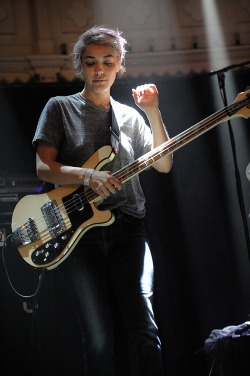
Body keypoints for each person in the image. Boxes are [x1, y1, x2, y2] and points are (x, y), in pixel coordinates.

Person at [32, 25, 173, 376]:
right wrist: (87, 175)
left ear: (119, 64)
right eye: (91, 61)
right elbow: (43, 168)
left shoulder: (130, 117)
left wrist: (153, 112)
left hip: (128, 229)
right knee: (98, 339)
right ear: (80, 65)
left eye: (107, 62)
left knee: (145, 329)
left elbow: (164, 163)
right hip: (79, 236)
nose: (99, 69)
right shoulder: (60, 108)